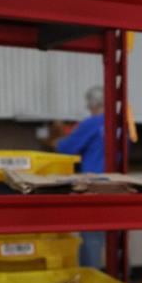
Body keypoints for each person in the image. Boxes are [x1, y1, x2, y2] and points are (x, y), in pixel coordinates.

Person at [57, 86, 106, 267]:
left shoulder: (92, 123)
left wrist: (58, 140)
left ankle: (92, 279)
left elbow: (66, 148)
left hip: (93, 185)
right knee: (113, 237)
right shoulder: (123, 124)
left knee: (91, 238)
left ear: (93, 104)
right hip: (119, 186)